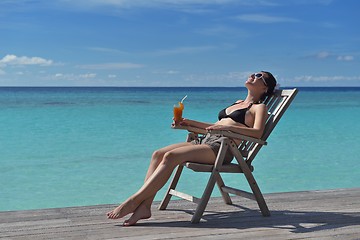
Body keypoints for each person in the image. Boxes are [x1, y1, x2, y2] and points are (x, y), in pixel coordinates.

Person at [107, 71, 277, 226]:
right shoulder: (237, 103)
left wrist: (227, 129)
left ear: (265, 87)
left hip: (222, 149)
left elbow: (257, 133)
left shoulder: (258, 107)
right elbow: (212, 127)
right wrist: (188, 122)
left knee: (171, 156)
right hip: (206, 141)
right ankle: (145, 207)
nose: (252, 76)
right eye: (253, 74)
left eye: (258, 76)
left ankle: (133, 201)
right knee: (158, 154)